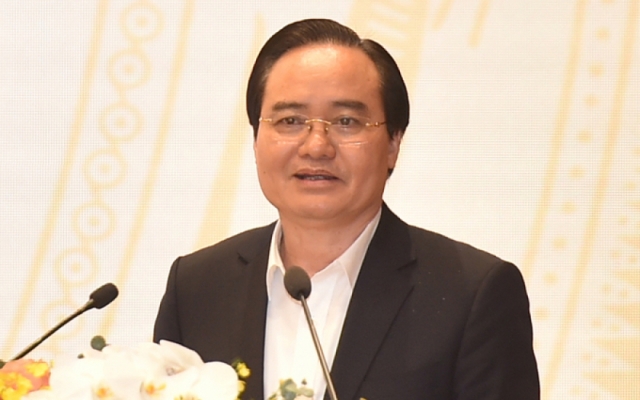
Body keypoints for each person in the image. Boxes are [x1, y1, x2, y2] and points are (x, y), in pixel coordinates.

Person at [154, 18, 540, 400]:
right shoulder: (196, 288)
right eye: (290, 121)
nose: (316, 146)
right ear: (256, 139)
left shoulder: (470, 295)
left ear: (393, 143)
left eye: (346, 121)